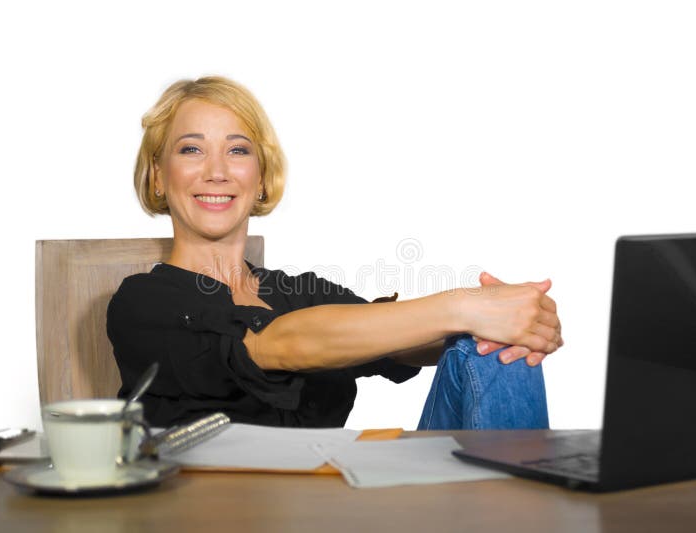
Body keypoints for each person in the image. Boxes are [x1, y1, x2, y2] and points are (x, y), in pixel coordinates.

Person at [107, 76, 563, 430]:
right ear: (158, 177)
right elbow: (278, 345)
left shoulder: (301, 294)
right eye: (191, 149)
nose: (217, 171)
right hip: (220, 518)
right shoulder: (141, 304)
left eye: (238, 151)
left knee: (493, 348)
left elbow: (399, 342)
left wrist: (507, 321)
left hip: (333, 503)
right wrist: (465, 305)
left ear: (262, 177)